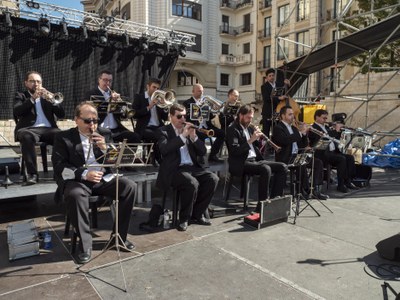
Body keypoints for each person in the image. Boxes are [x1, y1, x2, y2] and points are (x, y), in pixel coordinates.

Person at [52, 102, 136, 264]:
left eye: (95, 121)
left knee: (129, 186)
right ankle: (85, 245)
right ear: (76, 120)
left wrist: (105, 148)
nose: (93, 124)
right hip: (79, 180)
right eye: (88, 121)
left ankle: (119, 237)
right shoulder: (63, 137)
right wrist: (84, 174)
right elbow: (59, 166)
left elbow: (116, 162)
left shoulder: (104, 133)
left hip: (103, 179)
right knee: (75, 194)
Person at [156, 103, 219, 231]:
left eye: (184, 116)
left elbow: (202, 152)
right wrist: (183, 136)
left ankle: (197, 214)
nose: (182, 119)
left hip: (191, 167)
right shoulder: (163, 131)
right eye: (179, 116)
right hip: (174, 170)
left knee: (213, 179)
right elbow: (164, 150)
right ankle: (184, 218)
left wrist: (194, 137)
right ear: (171, 116)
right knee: (192, 183)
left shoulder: (189, 130)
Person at [226, 104, 288, 207]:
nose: (250, 120)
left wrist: (259, 139)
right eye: (248, 118)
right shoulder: (233, 129)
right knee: (265, 169)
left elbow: (256, 146)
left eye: (251, 118)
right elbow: (234, 151)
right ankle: (262, 203)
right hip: (241, 162)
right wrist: (251, 140)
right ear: (241, 115)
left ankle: (275, 197)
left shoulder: (249, 128)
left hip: (254, 160)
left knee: (283, 166)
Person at [13, 71, 65, 185]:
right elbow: (17, 112)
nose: (36, 84)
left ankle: (58, 173)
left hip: (48, 129)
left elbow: (62, 115)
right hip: (29, 129)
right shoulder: (21, 95)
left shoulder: (47, 97)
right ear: (26, 83)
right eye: (32, 81)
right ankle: (33, 174)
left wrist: (53, 100)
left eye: (38, 81)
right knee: (26, 136)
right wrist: (32, 99)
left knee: (61, 136)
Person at [272, 106, 328, 200]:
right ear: (282, 116)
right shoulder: (278, 128)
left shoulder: (294, 128)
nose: (293, 116)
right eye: (290, 114)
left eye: (293, 114)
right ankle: (302, 191)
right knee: (301, 164)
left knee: (317, 162)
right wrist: (300, 132)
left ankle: (315, 190)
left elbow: (302, 144)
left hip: (296, 155)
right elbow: (285, 141)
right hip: (285, 157)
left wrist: (305, 133)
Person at [84, 69, 141, 144]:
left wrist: (120, 104)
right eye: (105, 80)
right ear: (99, 80)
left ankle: (126, 156)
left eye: (110, 81)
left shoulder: (114, 94)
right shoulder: (91, 94)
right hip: (99, 128)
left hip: (116, 129)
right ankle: (109, 154)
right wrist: (109, 100)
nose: (107, 83)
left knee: (135, 137)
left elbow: (123, 117)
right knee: (108, 138)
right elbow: (86, 111)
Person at [308, 109, 357, 193]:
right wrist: (336, 130)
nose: (325, 120)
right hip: (322, 153)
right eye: (323, 118)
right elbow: (325, 137)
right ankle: (340, 185)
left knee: (350, 158)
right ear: (317, 117)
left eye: (326, 118)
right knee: (341, 159)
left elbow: (335, 138)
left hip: (332, 152)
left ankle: (348, 181)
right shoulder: (313, 128)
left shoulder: (326, 127)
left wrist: (340, 131)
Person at [183, 84, 225, 162]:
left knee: (222, 133)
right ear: (193, 92)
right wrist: (197, 106)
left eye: (202, 91)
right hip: (195, 127)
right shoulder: (187, 103)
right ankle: (200, 155)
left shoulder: (206, 103)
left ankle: (213, 155)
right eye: (199, 91)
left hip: (207, 127)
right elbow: (187, 117)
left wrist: (214, 110)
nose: (201, 93)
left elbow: (211, 117)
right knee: (200, 135)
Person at [132, 77, 169, 165]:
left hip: (158, 126)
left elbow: (165, 117)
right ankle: (158, 159)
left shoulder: (159, 99)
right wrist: (149, 107)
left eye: (157, 88)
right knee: (158, 135)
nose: (156, 90)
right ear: (148, 86)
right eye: (154, 87)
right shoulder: (139, 97)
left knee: (170, 134)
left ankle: (166, 158)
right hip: (144, 127)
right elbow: (135, 114)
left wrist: (164, 106)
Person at [261, 68, 290, 139]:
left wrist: (288, 85)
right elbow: (266, 98)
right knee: (266, 132)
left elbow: (285, 93)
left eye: (273, 75)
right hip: (267, 112)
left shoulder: (279, 84)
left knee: (276, 131)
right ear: (267, 77)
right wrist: (278, 98)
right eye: (270, 76)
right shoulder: (264, 86)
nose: (271, 77)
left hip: (277, 111)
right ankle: (265, 147)